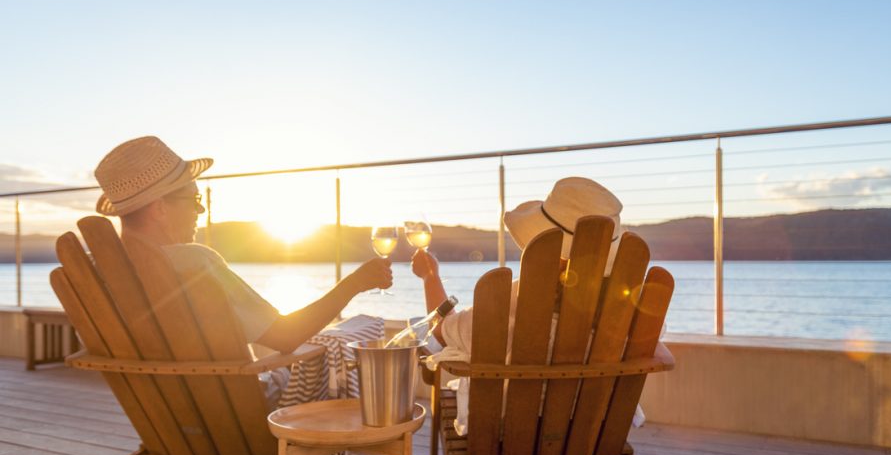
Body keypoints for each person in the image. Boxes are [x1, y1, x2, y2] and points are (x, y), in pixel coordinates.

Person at [94, 135, 393, 355]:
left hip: (164, 421)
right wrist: (355, 282)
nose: (201, 211)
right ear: (159, 208)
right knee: (347, 347)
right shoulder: (195, 263)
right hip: (248, 420)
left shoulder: (102, 272)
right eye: (194, 200)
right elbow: (287, 336)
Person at [411, 176, 624, 355]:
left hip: (516, 406)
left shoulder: (518, 301)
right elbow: (656, 355)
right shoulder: (625, 313)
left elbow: (441, 334)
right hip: (612, 407)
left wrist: (431, 277)